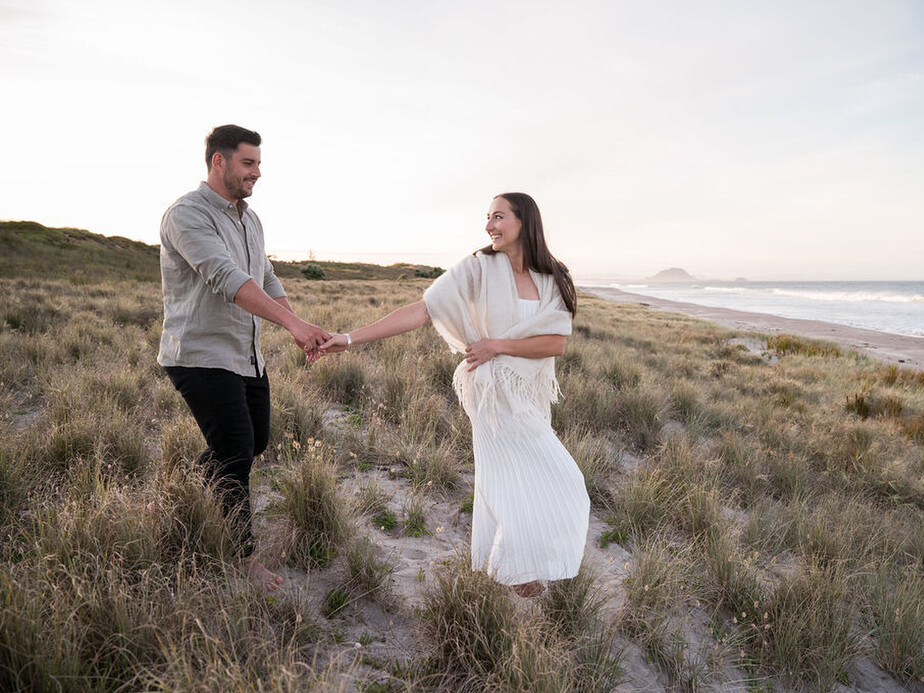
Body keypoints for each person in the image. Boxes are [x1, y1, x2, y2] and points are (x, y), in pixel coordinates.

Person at [320, 193, 589, 597]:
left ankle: (510, 565)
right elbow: (423, 309)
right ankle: (516, 568)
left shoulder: (553, 278)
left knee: (519, 474)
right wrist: (349, 339)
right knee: (553, 477)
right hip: (490, 394)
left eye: (498, 217)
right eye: (488, 218)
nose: (489, 226)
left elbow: (555, 343)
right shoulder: (478, 269)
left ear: (524, 222)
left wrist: (498, 345)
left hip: (526, 393)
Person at [157, 124, 329, 591]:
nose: (257, 172)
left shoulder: (249, 219)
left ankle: (188, 492)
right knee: (234, 450)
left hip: (244, 354)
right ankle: (241, 559)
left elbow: (264, 275)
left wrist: (297, 326)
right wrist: (292, 325)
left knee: (254, 442)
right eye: (248, 163)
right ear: (219, 161)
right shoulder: (186, 214)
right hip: (199, 353)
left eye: (258, 163)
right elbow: (227, 278)